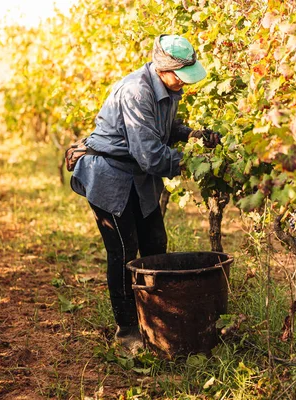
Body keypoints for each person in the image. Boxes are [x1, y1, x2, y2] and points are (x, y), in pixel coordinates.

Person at [70, 34, 219, 352]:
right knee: (124, 252)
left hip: (139, 178)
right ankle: (127, 331)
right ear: (163, 68)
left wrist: (191, 133)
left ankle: (155, 320)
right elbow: (150, 155)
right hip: (110, 175)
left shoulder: (168, 86)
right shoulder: (137, 91)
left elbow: (164, 125)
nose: (184, 83)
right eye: (180, 76)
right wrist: (194, 163)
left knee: (155, 245)